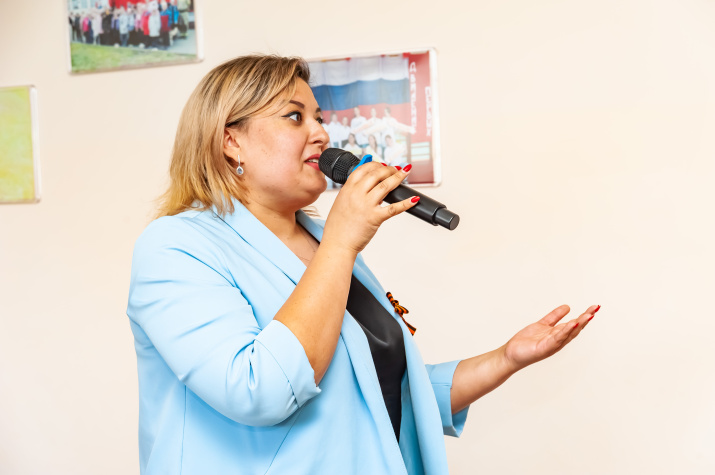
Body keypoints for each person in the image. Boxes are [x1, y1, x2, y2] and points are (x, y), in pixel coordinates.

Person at [127, 54, 598, 475]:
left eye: (318, 117)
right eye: (295, 116)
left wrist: (505, 359)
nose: (321, 133)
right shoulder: (177, 246)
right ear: (231, 141)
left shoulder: (319, 239)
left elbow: (386, 395)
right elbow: (259, 391)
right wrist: (341, 242)